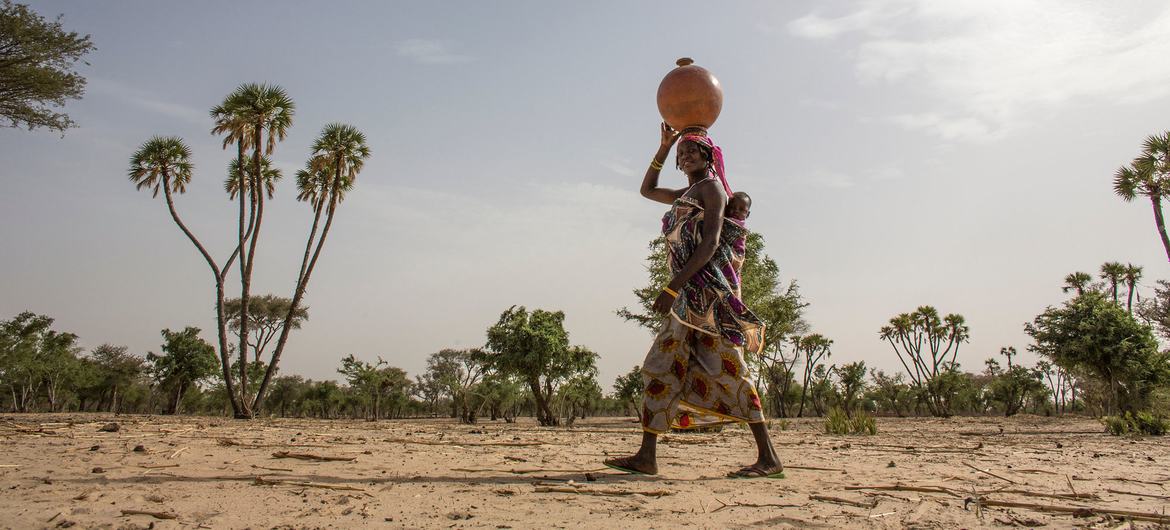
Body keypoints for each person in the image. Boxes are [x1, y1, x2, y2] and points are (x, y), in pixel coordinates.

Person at [603, 123, 783, 478]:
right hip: (688, 301)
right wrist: (664, 146)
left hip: (707, 299)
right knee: (660, 366)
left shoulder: (711, 190)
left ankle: (769, 458)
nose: (684, 157)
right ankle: (647, 456)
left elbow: (710, 244)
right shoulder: (687, 193)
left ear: (708, 156)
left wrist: (673, 287)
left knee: (731, 371)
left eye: (691, 151)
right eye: (680, 153)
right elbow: (646, 189)